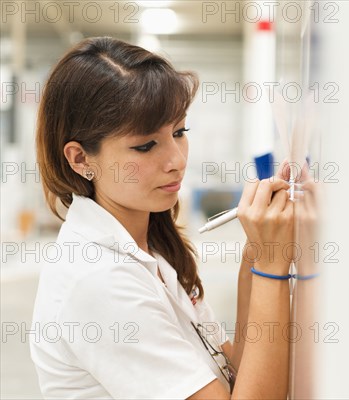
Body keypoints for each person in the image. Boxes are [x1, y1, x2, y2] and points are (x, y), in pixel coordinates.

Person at [31, 36, 295, 399]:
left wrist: (258, 247)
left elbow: (235, 371)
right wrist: (272, 262)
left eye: (179, 132)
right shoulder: (99, 280)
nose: (177, 160)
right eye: (145, 145)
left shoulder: (151, 246)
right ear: (80, 159)